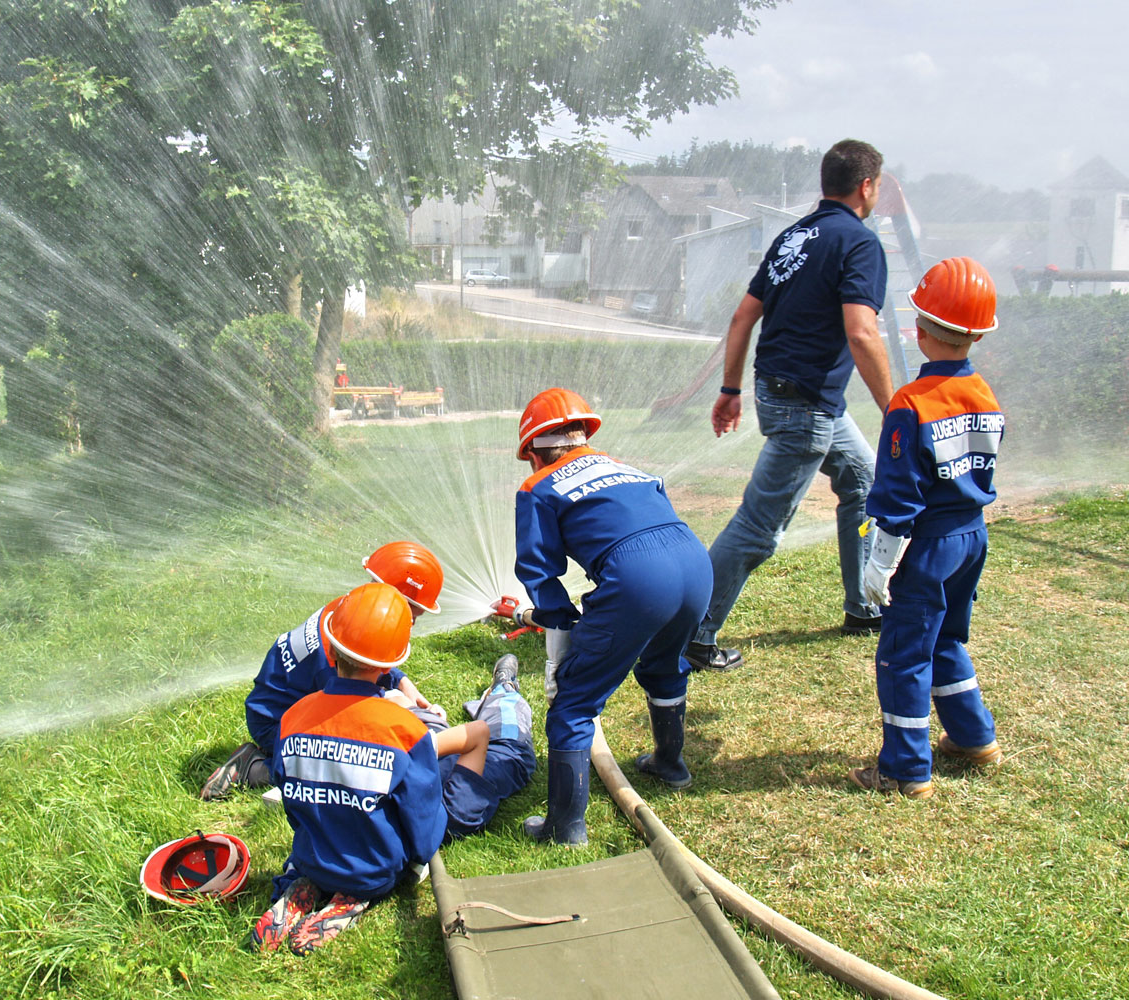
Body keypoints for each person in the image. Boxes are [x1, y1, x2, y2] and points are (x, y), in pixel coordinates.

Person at [669, 138, 896, 673]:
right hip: (806, 407)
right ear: (866, 186)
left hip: (792, 395)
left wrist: (729, 390)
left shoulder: (793, 236)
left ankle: (862, 607)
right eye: (878, 186)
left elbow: (742, 317)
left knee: (862, 479)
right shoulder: (859, 244)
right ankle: (693, 636)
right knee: (757, 528)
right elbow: (862, 334)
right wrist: (898, 410)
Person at [251, 587, 534, 954]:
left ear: (332, 649)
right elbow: (423, 827)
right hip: (375, 867)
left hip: (313, 853)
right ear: (388, 667)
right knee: (510, 752)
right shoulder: (403, 731)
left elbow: (292, 801)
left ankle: (310, 880)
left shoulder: (291, 719)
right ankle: (505, 694)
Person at [511, 387, 712, 845]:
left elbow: (538, 572)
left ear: (533, 454)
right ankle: (670, 764)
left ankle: (565, 828)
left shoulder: (538, 487)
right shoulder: (627, 468)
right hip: (696, 563)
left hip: (641, 578)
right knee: (664, 666)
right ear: (584, 437)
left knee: (574, 703)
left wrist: (558, 653)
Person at [849, 257, 1005, 799]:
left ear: (918, 328)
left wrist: (880, 563)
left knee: (903, 654)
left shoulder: (910, 403)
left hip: (927, 544)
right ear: (979, 333)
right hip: (972, 537)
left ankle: (906, 769)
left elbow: (898, 496)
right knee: (946, 639)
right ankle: (974, 738)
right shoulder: (985, 393)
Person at [200, 541, 443, 798]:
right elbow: (356, 714)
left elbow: (368, 659)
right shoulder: (329, 664)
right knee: (349, 762)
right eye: (413, 618)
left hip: (283, 704)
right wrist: (407, 718)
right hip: (275, 721)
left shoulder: (351, 611)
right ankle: (253, 768)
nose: (412, 626)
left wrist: (402, 683)